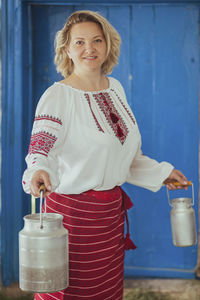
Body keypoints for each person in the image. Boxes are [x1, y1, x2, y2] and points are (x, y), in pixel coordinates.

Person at [22, 10, 188, 300]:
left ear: (108, 45)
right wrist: (38, 171)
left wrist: (163, 173)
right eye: (80, 42)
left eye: (97, 40)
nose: (90, 48)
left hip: (108, 219)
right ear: (67, 49)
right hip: (71, 220)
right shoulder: (58, 96)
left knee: (107, 293)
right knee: (69, 293)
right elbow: (40, 150)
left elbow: (126, 155)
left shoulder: (116, 90)